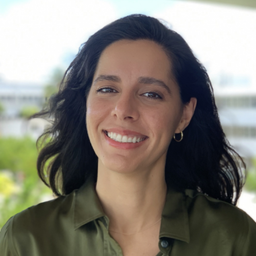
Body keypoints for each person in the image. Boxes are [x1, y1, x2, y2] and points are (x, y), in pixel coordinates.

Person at [0, 14, 256, 256]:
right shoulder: (26, 239)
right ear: (85, 102)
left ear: (184, 115)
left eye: (151, 94)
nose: (123, 110)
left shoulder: (234, 237)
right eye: (108, 88)